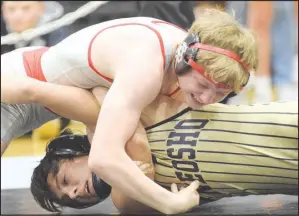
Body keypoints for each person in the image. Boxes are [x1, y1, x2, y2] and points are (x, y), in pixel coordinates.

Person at [1, 8, 258, 214]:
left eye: (221, 93)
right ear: (182, 58)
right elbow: (103, 159)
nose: (206, 98)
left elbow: (125, 201)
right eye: (202, 86)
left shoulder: (190, 64)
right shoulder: (146, 67)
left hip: (40, 88)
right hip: (16, 82)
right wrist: (170, 203)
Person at [30, 88, 298, 213]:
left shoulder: (127, 111)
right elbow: (138, 147)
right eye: (70, 199)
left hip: (288, 122)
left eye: (65, 180)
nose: (75, 192)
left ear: (72, 152)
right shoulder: (124, 200)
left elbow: (100, 86)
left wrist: (104, 132)